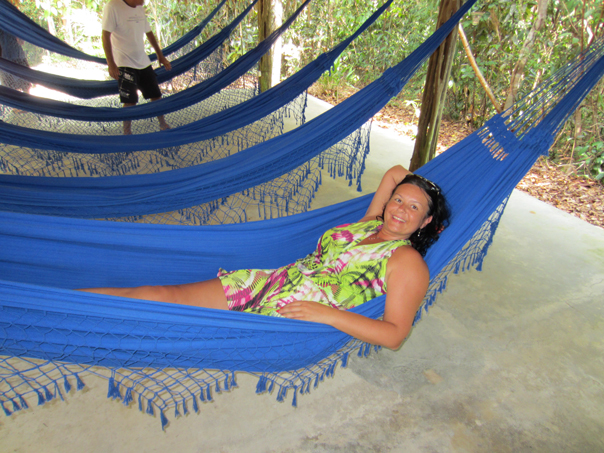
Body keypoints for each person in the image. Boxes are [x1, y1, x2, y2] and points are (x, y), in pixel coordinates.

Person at [80, 166, 450, 350]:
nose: (400, 210)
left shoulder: (406, 261)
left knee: (175, 329)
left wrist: (328, 315)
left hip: (291, 317)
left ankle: (76, 317)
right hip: (266, 282)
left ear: (425, 222)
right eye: (398, 200)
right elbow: (395, 173)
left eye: (414, 208)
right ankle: (65, 305)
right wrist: (421, 189)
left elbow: (395, 335)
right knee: (161, 295)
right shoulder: (370, 223)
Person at [101, 0, 171, 134]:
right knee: (130, 101)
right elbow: (105, 36)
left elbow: (149, 32)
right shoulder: (113, 7)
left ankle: (163, 124)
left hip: (143, 61)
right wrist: (111, 64)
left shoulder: (140, 8)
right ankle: (127, 132)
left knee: (156, 95)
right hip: (124, 63)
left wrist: (160, 55)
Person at [0, 29, 32, 94]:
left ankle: (24, 99)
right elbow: (21, 41)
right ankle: (22, 99)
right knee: (10, 87)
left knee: (24, 85)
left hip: (13, 57)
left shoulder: (11, 24)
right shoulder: (10, 24)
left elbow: (21, 41)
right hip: (9, 59)